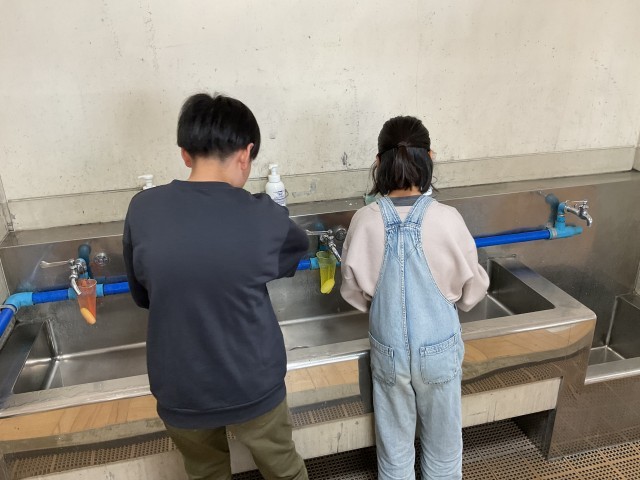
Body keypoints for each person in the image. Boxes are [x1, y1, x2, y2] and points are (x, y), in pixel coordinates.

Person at [123, 93, 309, 480]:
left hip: (180, 389)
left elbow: (143, 295)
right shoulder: (264, 216)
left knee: (205, 473)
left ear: (184, 154)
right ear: (246, 154)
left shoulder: (143, 210)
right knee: (284, 470)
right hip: (253, 383)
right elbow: (292, 255)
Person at [340, 116, 489, 480]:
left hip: (388, 350)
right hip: (438, 349)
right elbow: (473, 290)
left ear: (379, 162)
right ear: (429, 157)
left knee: (394, 452)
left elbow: (353, 292)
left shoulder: (364, 220)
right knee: (443, 450)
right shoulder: (447, 219)